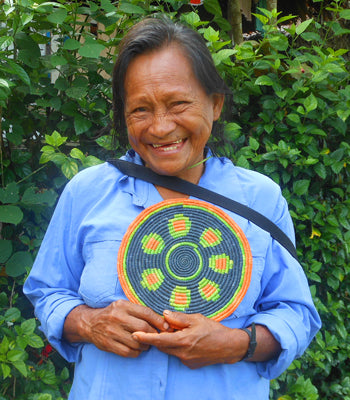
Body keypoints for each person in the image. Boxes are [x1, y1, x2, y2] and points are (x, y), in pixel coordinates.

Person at [24, 17, 321, 400]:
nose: (161, 127)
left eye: (178, 103)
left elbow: (295, 313)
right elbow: (47, 291)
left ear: (215, 104)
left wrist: (236, 343)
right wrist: (88, 322)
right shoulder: (87, 192)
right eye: (140, 110)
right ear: (123, 116)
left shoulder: (260, 199)